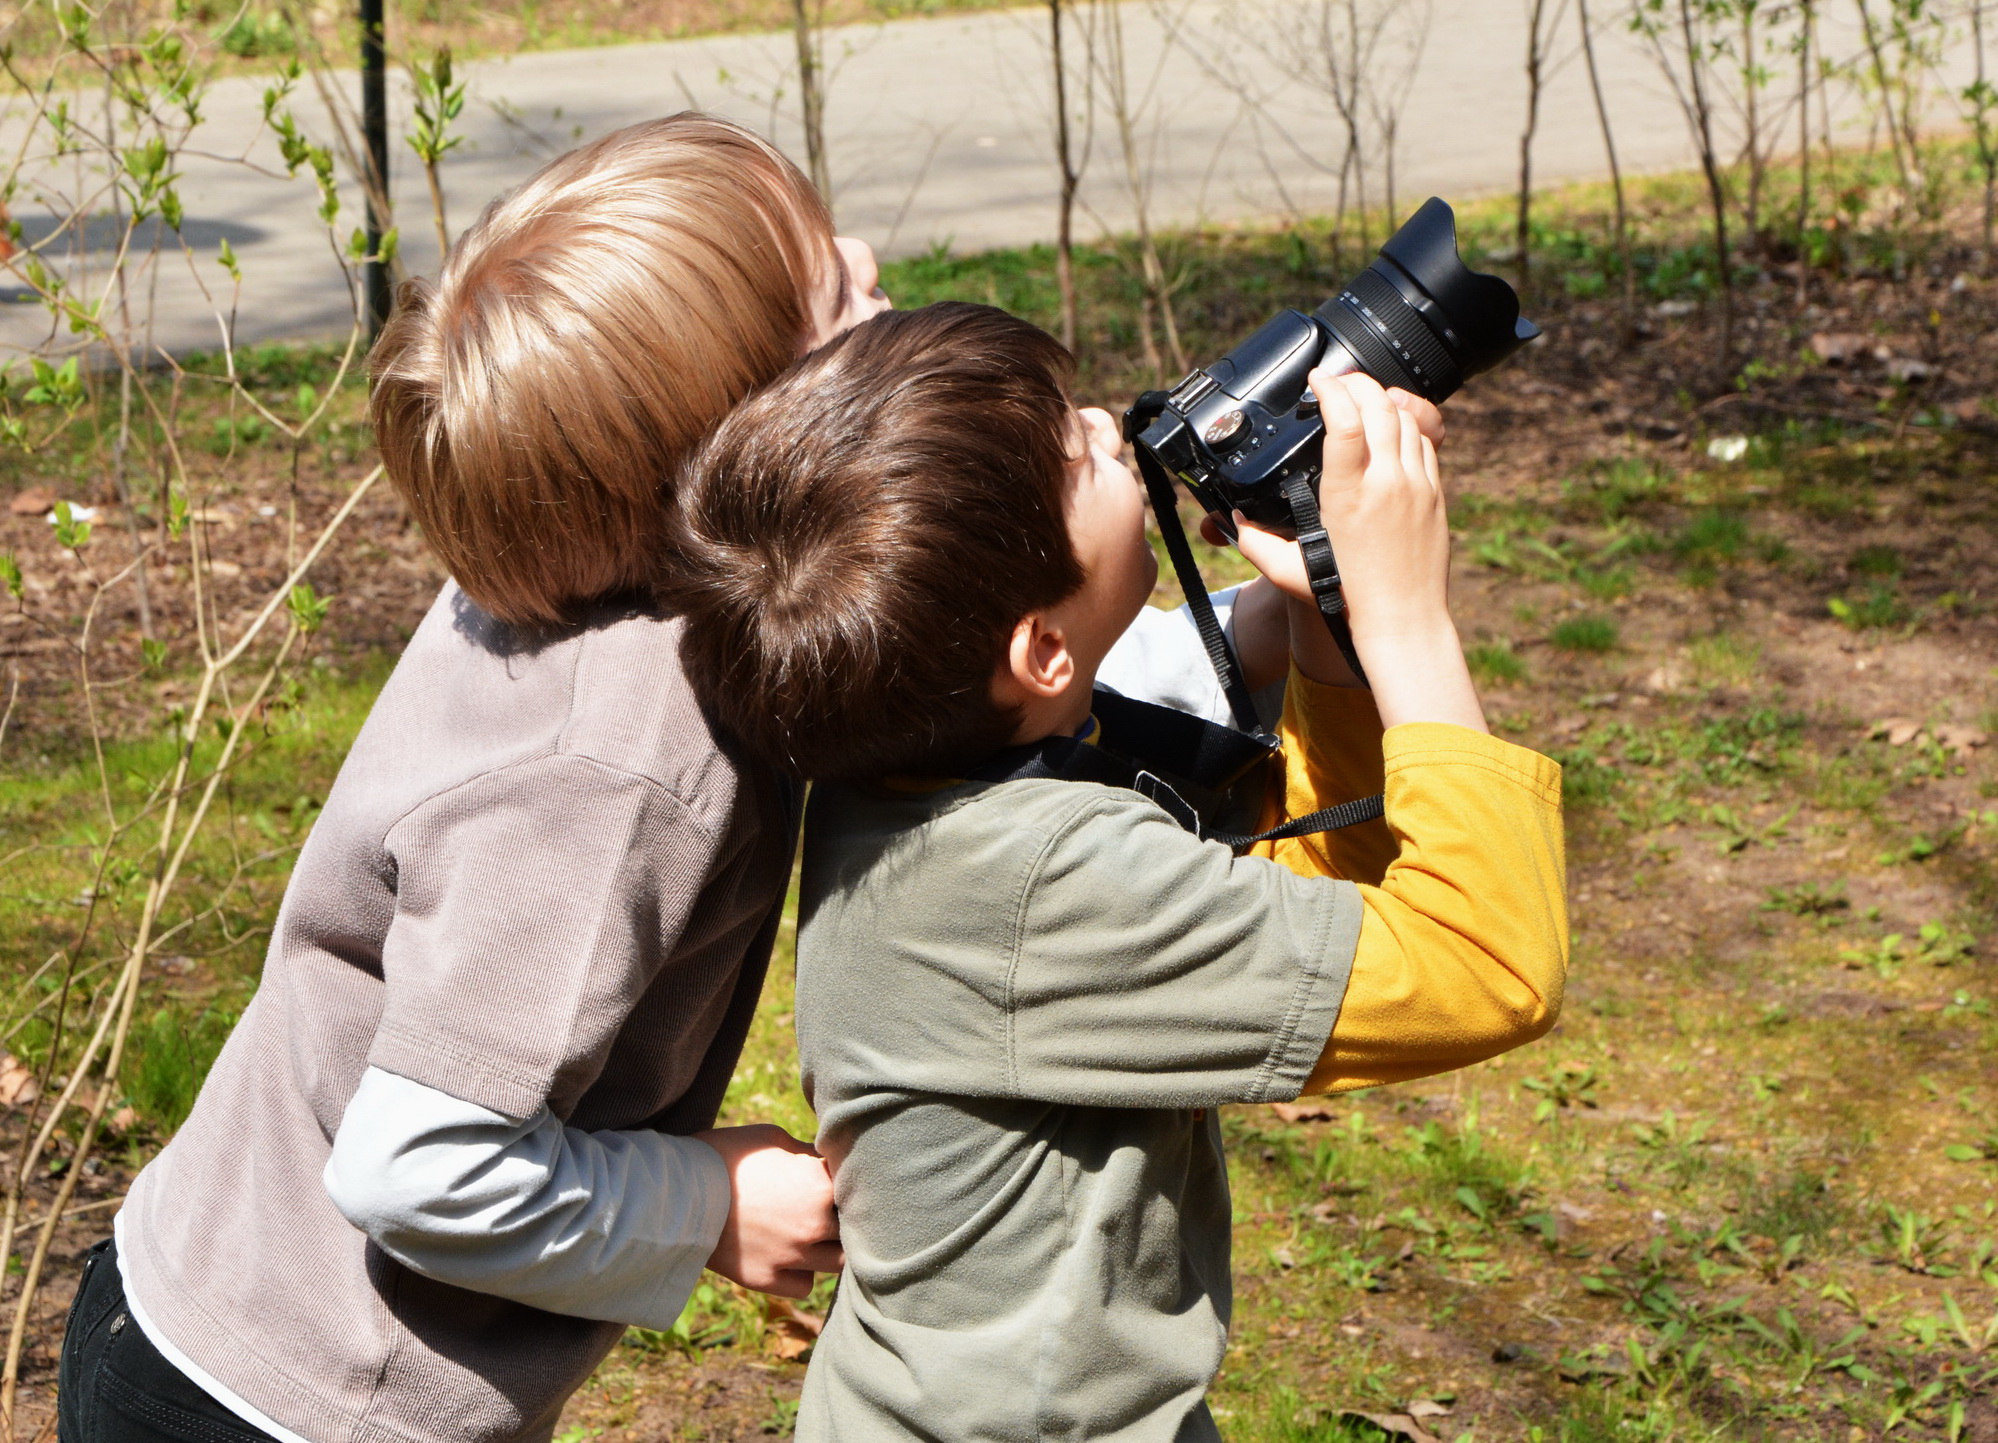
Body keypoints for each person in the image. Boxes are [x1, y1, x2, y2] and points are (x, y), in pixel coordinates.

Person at [57, 115, 886, 1443]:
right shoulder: (621, 758)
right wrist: (706, 1204)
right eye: (837, 298)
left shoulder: (592, 558)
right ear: (739, 457)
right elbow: (417, 1165)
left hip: (207, 1310)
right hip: (291, 1398)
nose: (867, 256)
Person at [669, 301, 1570, 1441]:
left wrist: (1321, 629)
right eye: (1072, 454)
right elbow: (1490, 964)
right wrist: (1404, 623)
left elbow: (1324, 897)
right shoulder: (1037, 886)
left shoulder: (921, 764)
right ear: (1040, 650)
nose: (1104, 425)